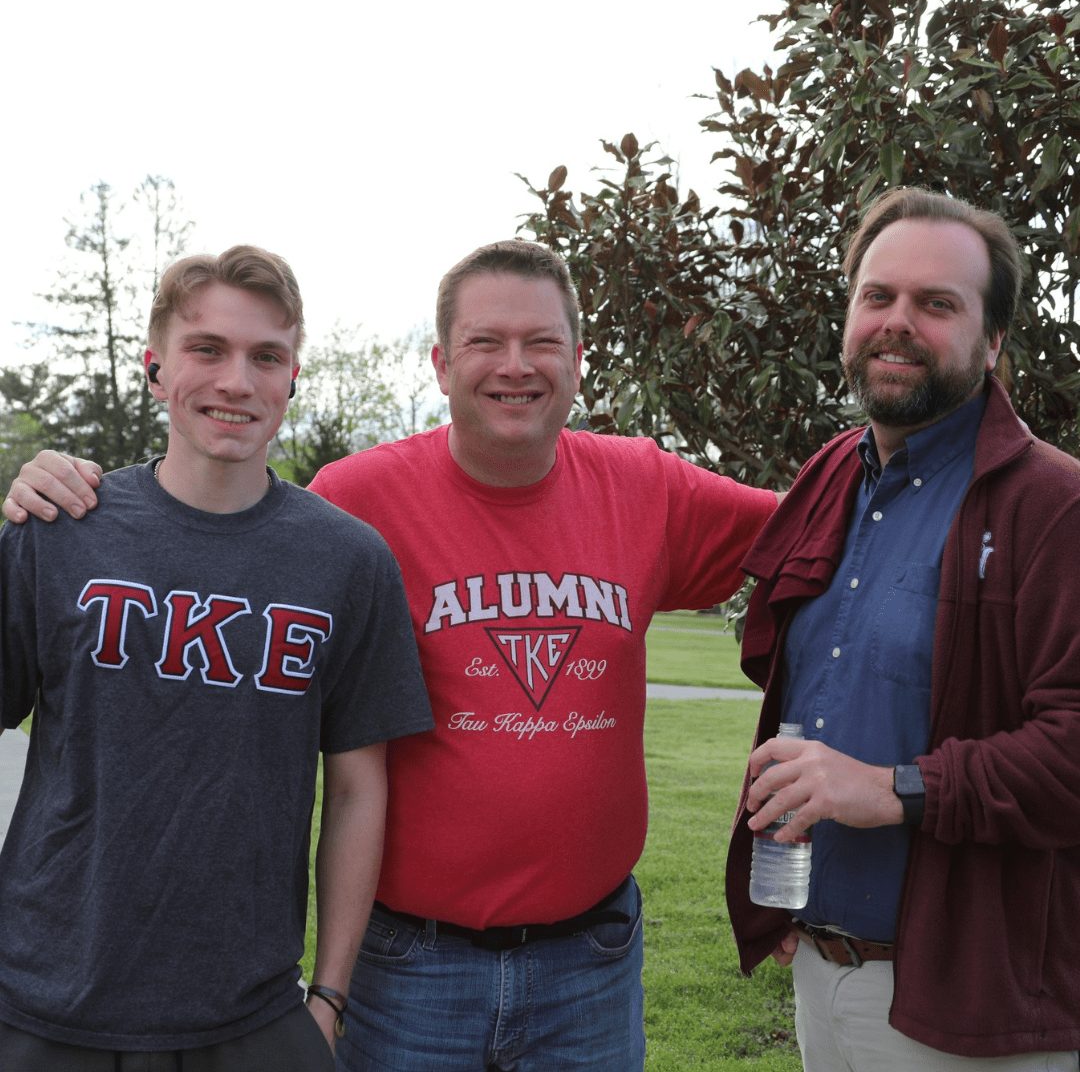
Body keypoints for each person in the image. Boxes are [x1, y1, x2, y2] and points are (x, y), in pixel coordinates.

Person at [5, 239, 779, 1071]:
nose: (514, 366)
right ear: (442, 364)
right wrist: (44, 489)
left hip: (585, 962)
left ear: (579, 360)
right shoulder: (348, 507)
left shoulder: (640, 487)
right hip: (405, 969)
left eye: (542, 342)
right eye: (485, 342)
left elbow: (829, 523)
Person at [0, 246, 433, 1071]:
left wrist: (328, 1002)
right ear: (157, 368)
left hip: (252, 1017)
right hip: (42, 1004)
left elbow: (356, 789)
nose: (237, 380)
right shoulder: (59, 529)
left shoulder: (348, 562)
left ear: (292, 376)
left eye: (265, 356)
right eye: (207, 349)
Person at [724, 187, 1080, 1070]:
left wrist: (896, 788)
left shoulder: (1054, 505)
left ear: (994, 340)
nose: (897, 322)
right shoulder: (830, 479)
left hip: (973, 1002)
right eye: (877, 296)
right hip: (817, 962)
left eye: (937, 303)